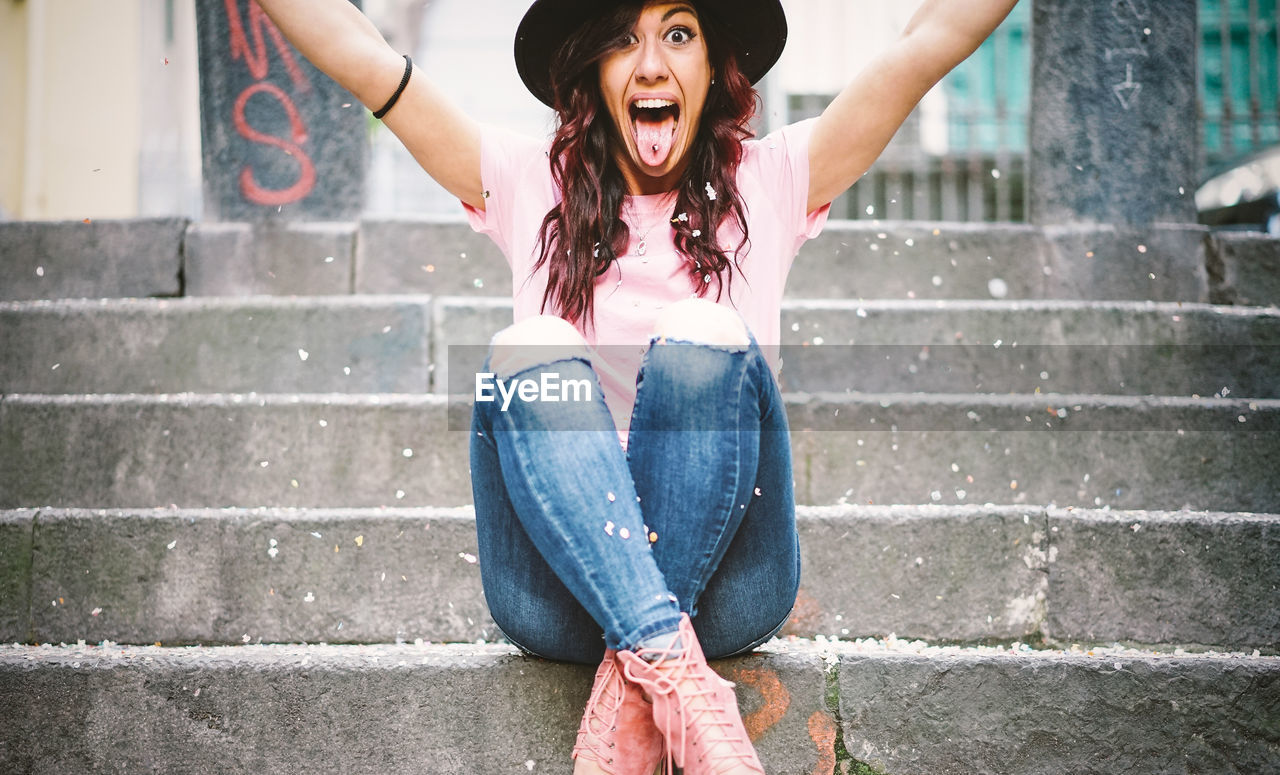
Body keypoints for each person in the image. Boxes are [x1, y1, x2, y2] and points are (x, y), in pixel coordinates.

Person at [254, 1, 1019, 773]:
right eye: (623, 40)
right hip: (554, 596)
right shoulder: (529, 183)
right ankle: (672, 667)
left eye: (677, 35)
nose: (651, 63)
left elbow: (923, 47)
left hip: (732, 587)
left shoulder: (774, 178)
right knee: (530, 346)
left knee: (705, 332)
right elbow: (363, 56)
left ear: (714, 66)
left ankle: (645, 657)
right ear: (593, 71)